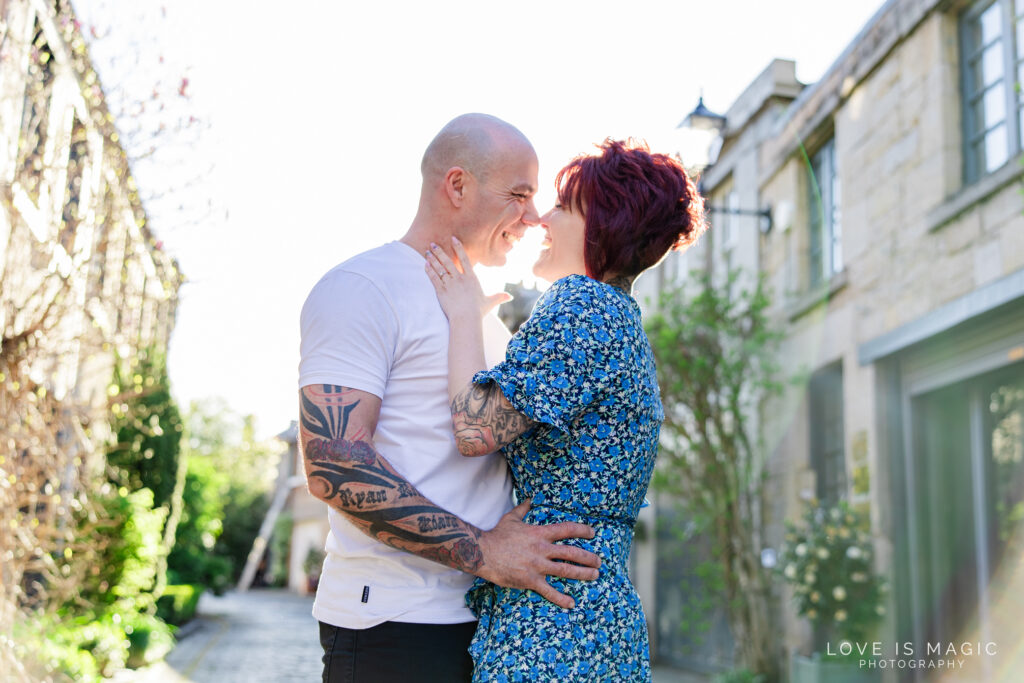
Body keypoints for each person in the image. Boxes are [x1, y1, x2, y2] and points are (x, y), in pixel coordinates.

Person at [297, 114, 605, 683]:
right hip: (393, 627)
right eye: (518, 195)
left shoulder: (487, 320)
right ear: (457, 185)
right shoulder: (362, 287)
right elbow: (334, 463)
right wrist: (486, 552)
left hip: (490, 625)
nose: (533, 217)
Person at [424, 138, 707, 682]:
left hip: (551, 617)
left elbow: (476, 427)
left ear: (605, 224)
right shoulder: (619, 320)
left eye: (565, 206)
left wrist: (462, 314)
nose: (542, 219)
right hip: (594, 612)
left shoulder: (582, 305)